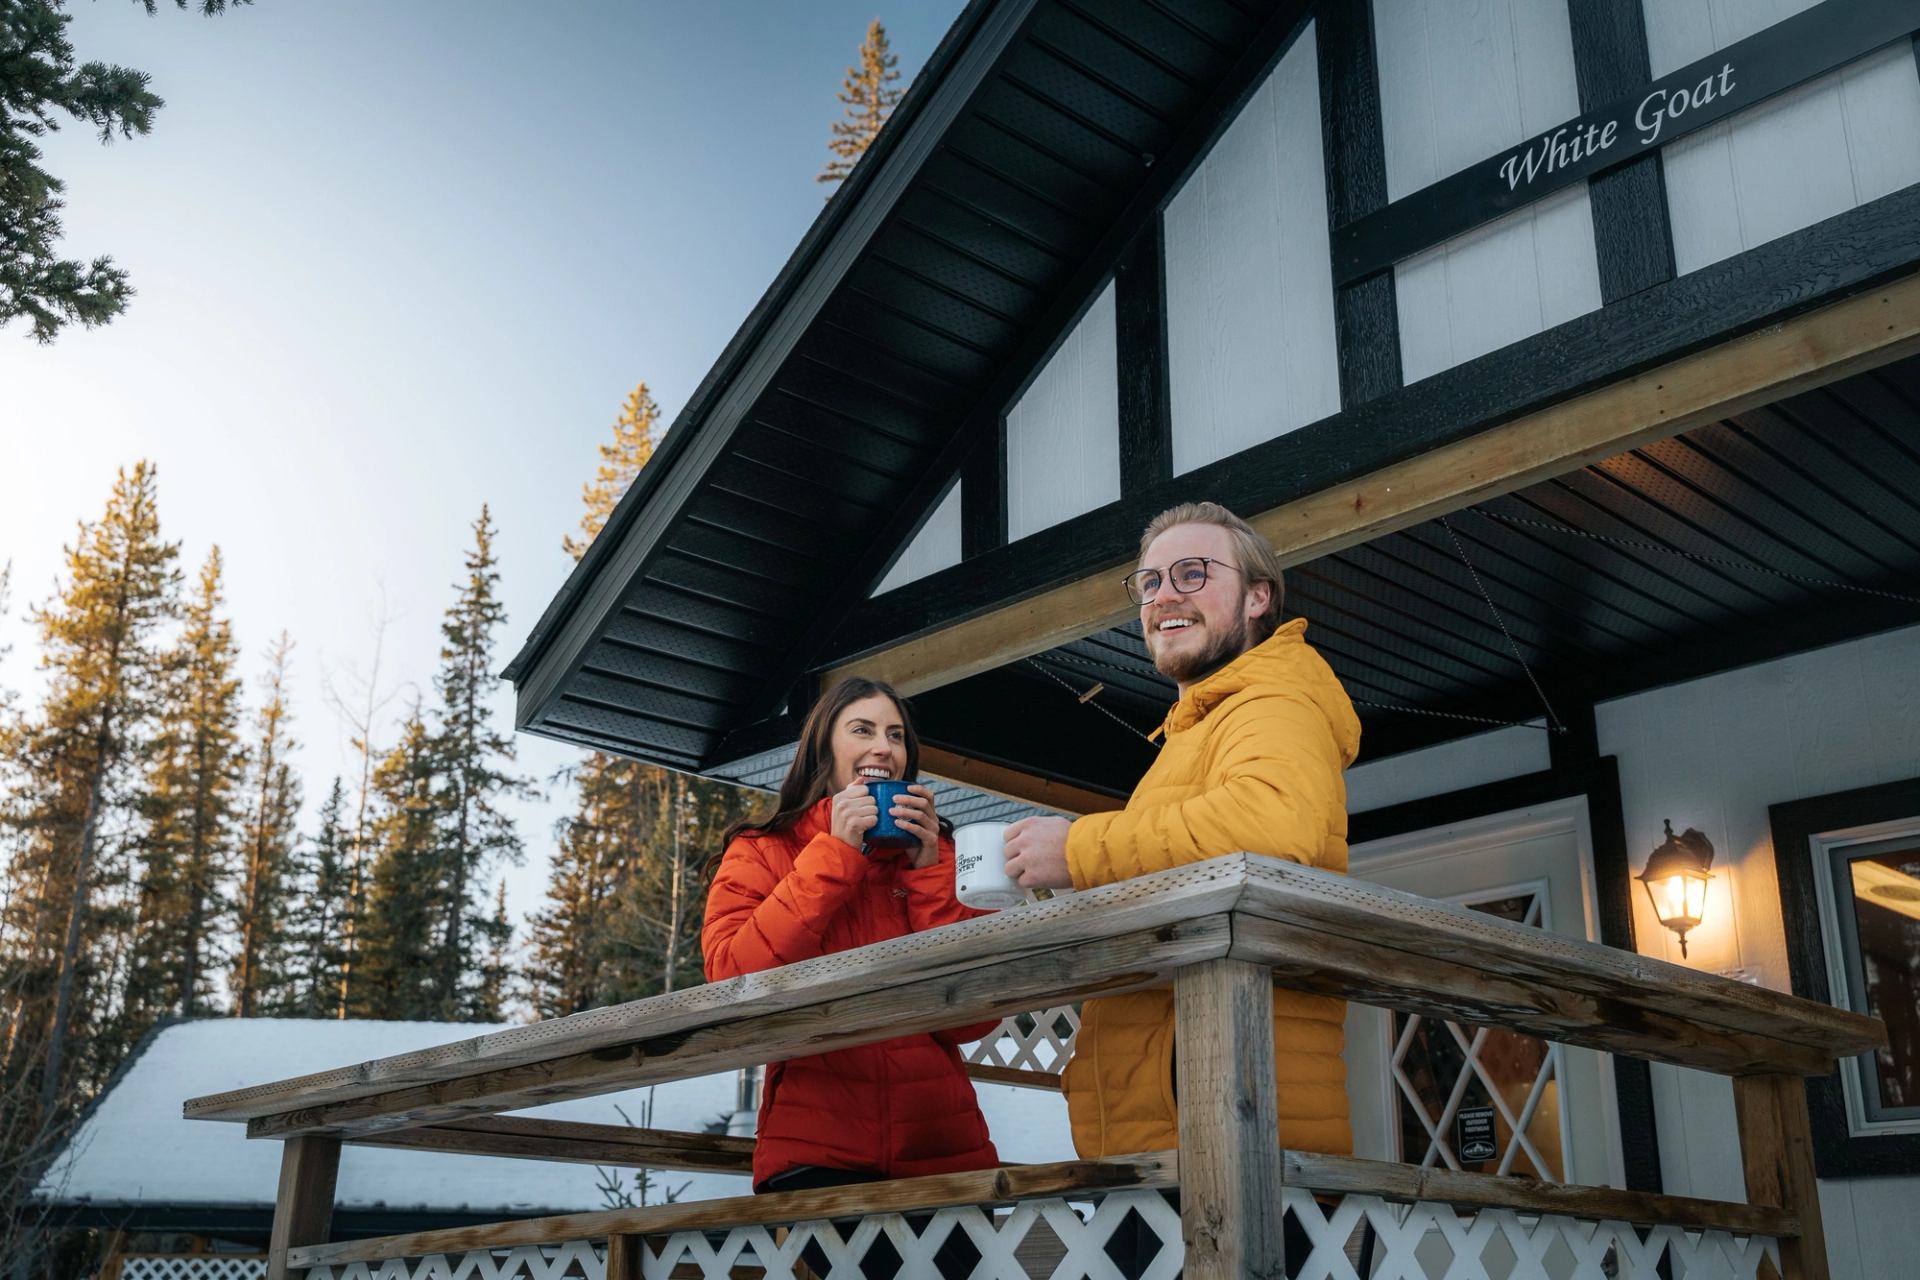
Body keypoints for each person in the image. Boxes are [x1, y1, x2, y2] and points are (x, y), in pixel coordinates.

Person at [1001, 501, 1362, 1274]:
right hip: (1172, 1135)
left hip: (1236, 1142)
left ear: (1259, 596)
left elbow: (1272, 822)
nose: (1164, 594)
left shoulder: (1275, 698)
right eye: (1150, 581)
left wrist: (1080, 847)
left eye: (1194, 573)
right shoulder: (1200, 729)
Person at [701, 675, 1001, 1201]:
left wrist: (928, 871)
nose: (883, 747)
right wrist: (836, 853)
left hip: (945, 1156)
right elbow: (730, 977)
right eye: (862, 729)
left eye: (896, 735)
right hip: (816, 1154)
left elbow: (977, 1016)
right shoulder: (763, 850)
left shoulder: (941, 859)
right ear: (824, 746)